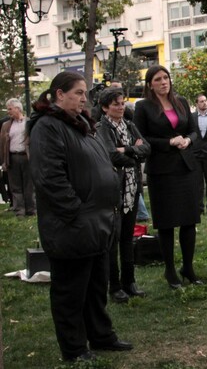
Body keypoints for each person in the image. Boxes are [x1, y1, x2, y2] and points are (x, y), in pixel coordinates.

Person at [27, 71, 133, 362]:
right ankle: (74, 349)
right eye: (78, 92)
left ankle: (100, 336)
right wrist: (76, 210)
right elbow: (49, 178)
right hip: (72, 226)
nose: (84, 98)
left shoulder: (84, 126)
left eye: (85, 93)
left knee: (96, 287)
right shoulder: (47, 127)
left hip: (97, 224)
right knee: (71, 292)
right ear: (59, 95)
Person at [133, 65, 202, 289]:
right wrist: (168, 142)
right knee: (167, 223)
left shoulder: (180, 101)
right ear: (150, 85)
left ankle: (188, 268)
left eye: (166, 78)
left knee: (189, 220)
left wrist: (188, 140)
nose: (164, 82)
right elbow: (141, 138)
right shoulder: (143, 107)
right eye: (158, 79)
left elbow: (194, 131)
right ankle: (170, 270)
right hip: (162, 171)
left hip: (186, 167)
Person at [96, 87, 150, 303]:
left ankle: (130, 282)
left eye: (122, 103)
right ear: (105, 107)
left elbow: (147, 148)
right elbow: (110, 156)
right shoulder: (103, 127)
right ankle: (115, 286)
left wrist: (125, 150)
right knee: (114, 240)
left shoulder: (129, 124)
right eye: (116, 104)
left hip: (132, 187)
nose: (121, 107)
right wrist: (133, 154)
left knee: (128, 237)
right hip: (114, 190)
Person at [0, 98, 36, 216]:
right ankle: (19, 211)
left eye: (10, 109)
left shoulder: (29, 122)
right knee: (15, 186)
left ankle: (31, 210)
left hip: (27, 157)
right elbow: (2, 144)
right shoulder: (6, 125)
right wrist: (3, 161)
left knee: (29, 185)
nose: (8, 112)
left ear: (17, 109)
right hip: (12, 158)